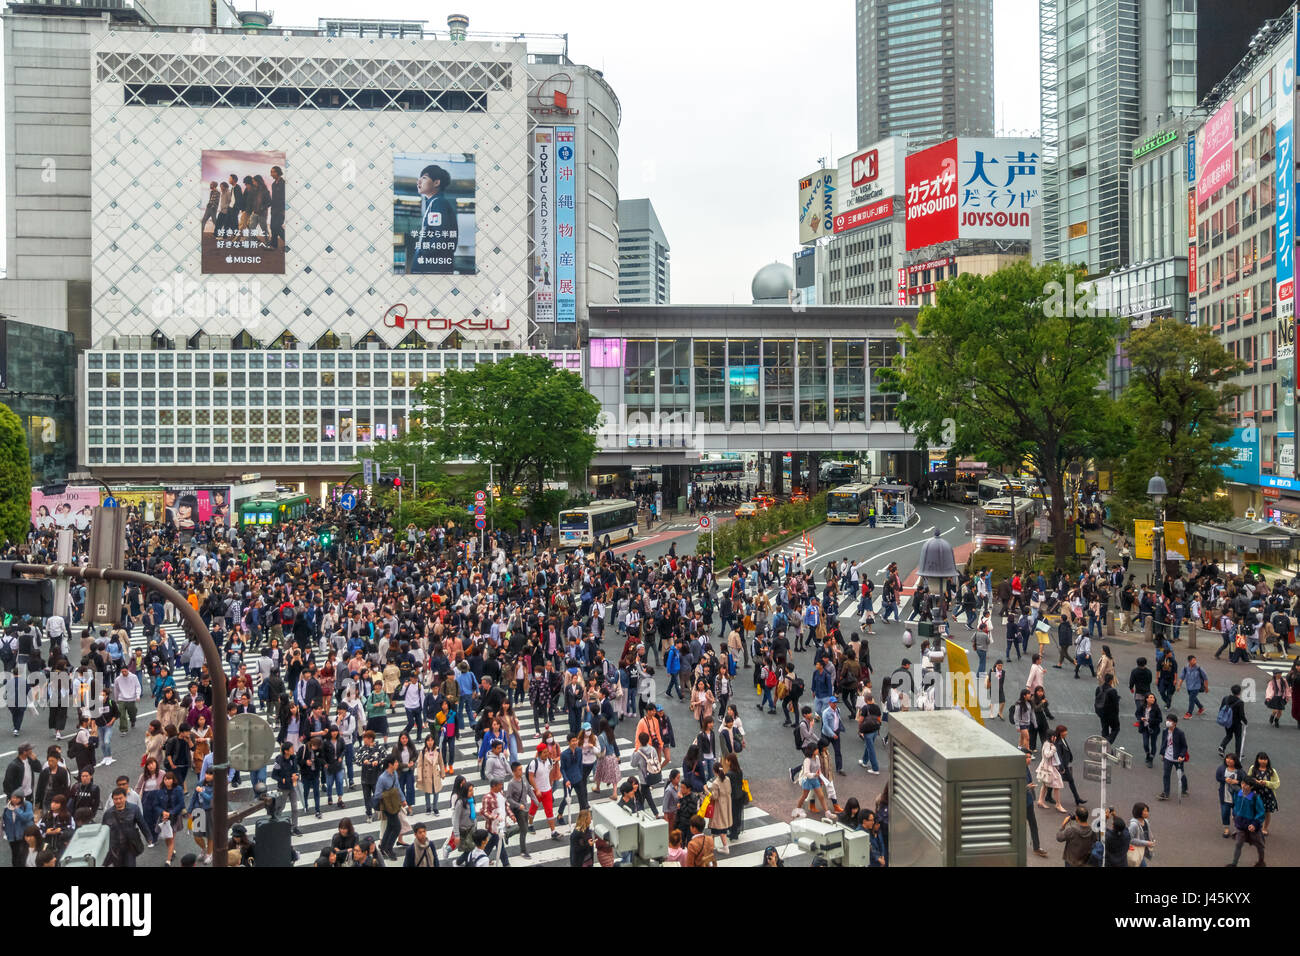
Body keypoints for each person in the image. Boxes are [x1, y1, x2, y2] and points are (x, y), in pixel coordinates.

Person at [101, 786, 150, 867]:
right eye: (115, 799)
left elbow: (142, 823)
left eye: (120, 798)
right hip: (115, 847)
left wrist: (148, 837)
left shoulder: (134, 809)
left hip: (130, 845)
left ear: (125, 797)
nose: (118, 801)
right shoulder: (108, 814)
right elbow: (104, 831)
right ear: (113, 800)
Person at [1228, 777, 1267, 866]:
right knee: (1238, 844)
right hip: (1241, 825)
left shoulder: (1255, 798)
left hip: (1252, 827)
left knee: (1260, 845)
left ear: (1251, 787)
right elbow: (1236, 806)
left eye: (1246, 785)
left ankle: (1261, 862)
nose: (1243, 786)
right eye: (1242, 783)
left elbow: (1261, 813)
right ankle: (1234, 863)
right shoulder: (1238, 794)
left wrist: (1254, 824)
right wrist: (1234, 815)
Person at [1157, 714, 1189, 801]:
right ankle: (1166, 793)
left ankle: (1184, 789)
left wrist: (1181, 755)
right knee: (1166, 775)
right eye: (1167, 720)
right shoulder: (1165, 731)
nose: (1168, 722)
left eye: (1170, 721)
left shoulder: (1180, 733)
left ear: (1175, 723)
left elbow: (1184, 746)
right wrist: (1162, 753)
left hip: (1177, 758)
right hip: (1167, 757)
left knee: (1180, 774)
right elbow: (1164, 742)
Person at [1248, 751, 1280, 835]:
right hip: (1254, 793)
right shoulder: (1253, 768)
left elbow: (1277, 784)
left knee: (1266, 812)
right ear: (1257, 760)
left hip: (1267, 794)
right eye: (1261, 759)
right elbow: (1247, 779)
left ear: (1267, 760)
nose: (1263, 761)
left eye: (1265, 759)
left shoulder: (1272, 771)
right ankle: (1253, 826)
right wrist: (1254, 781)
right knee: (1253, 810)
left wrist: (1266, 783)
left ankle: (1265, 828)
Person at [1217, 685, 1248, 758]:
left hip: (1227, 721)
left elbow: (1221, 708)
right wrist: (1245, 721)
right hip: (1236, 723)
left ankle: (1222, 746)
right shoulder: (1240, 702)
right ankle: (1238, 754)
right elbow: (1241, 715)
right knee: (1238, 738)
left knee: (1229, 735)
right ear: (1239, 692)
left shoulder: (1225, 698)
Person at [1127, 802, 1154, 867]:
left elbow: (1148, 833)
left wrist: (1151, 840)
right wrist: (1146, 843)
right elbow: (1130, 839)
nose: (1147, 813)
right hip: (1136, 849)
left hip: (1143, 848)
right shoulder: (1134, 825)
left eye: (1147, 811)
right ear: (1139, 812)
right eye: (1145, 811)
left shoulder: (1146, 821)